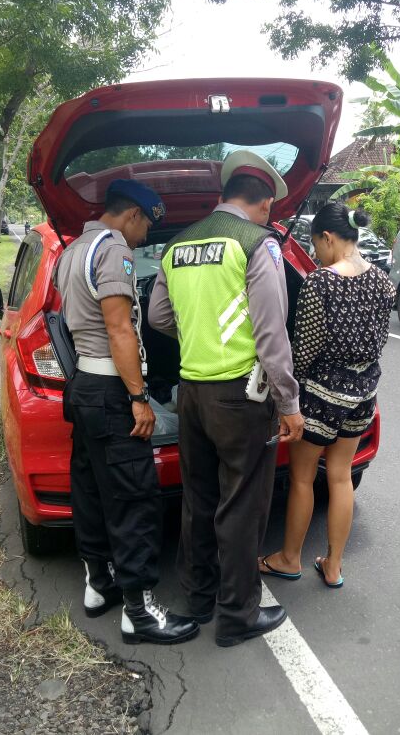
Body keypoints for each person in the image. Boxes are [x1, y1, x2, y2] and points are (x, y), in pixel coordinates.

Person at [148, 150, 304, 647]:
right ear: (263, 204)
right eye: (269, 211)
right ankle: (237, 615)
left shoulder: (177, 245)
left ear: (224, 194)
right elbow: (271, 333)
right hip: (240, 397)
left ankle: (197, 599)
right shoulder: (258, 244)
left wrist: (197, 337)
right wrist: (289, 403)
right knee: (241, 506)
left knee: (198, 499)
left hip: (191, 393)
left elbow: (156, 318)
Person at [55, 178, 199, 646]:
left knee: (93, 489)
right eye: (143, 230)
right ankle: (139, 613)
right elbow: (119, 328)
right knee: (134, 496)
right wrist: (139, 397)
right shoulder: (111, 247)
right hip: (112, 389)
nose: (140, 242)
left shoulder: (73, 248)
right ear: (133, 215)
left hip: (83, 388)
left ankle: (100, 585)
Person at [257, 204, 395, 589]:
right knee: (339, 477)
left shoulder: (321, 282)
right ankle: (333, 565)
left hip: (320, 396)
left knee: (302, 479)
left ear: (328, 238)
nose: (316, 253)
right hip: (364, 392)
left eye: (316, 245)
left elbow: (305, 349)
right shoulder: (382, 280)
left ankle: (288, 559)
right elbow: (379, 341)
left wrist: (287, 393)